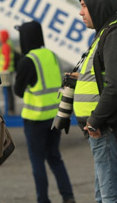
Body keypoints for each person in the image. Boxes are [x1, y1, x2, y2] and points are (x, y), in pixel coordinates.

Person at [71, 0, 117, 202]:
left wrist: (95, 120)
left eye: (84, 6)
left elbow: (116, 84)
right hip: (103, 128)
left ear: (98, 6)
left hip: (108, 128)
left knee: (112, 198)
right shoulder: (105, 33)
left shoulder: (115, 34)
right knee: (104, 197)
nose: (81, 12)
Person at [14, 21, 75, 203]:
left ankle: (43, 199)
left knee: (38, 161)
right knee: (55, 157)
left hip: (35, 119)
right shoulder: (53, 56)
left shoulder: (28, 60)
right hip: (56, 116)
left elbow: (18, 90)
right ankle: (68, 196)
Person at [0, 29, 17, 115]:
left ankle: (10, 109)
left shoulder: (5, 46)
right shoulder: (7, 45)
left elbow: (7, 58)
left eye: (0, 36)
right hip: (8, 70)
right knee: (8, 90)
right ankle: (10, 108)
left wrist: (4, 68)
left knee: (7, 90)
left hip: (6, 71)